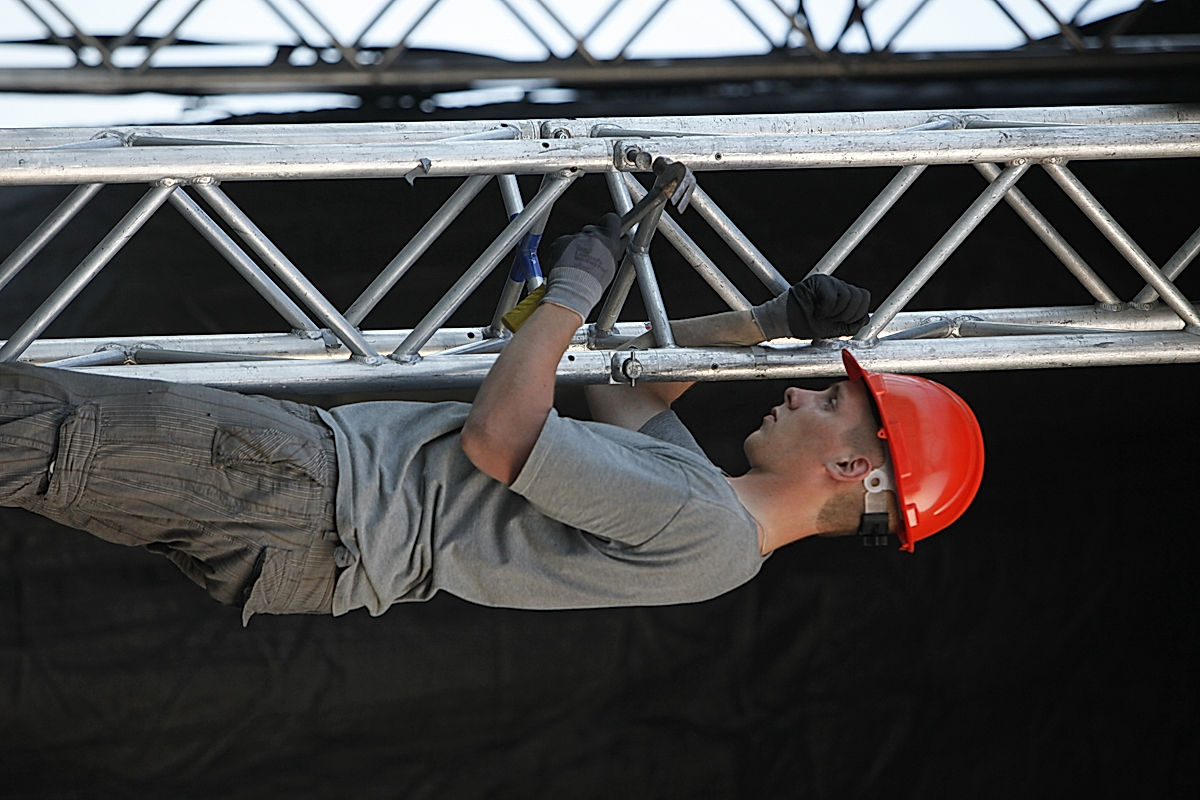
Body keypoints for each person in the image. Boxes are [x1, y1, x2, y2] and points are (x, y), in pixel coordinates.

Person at [0, 214, 983, 625]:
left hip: (313, 495)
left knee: (33, 432)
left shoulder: (706, 525)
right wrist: (762, 326)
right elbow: (629, 393)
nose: (804, 391)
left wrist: (571, 293)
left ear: (857, 466)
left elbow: (501, 437)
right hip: (314, 517)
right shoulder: (713, 517)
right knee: (32, 415)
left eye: (830, 398)